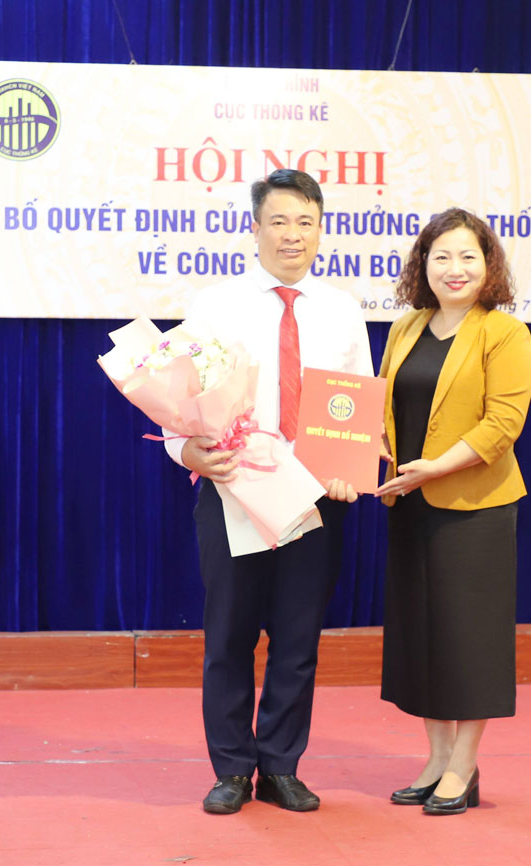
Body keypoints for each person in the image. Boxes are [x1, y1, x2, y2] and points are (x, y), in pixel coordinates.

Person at [166, 169, 373, 814]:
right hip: (234, 494)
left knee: (297, 638)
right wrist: (186, 450)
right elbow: (179, 402)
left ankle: (281, 765)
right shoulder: (216, 303)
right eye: (279, 221)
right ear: (254, 228)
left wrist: (354, 467)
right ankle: (231, 769)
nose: (293, 235)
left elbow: (358, 405)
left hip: (313, 497)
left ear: (321, 230)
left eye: (306, 222)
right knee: (228, 636)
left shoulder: (341, 308)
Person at [374, 207, 531, 815]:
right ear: (423, 266)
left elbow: (503, 424)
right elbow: (383, 403)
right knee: (422, 637)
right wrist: (380, 446)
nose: (455, 268)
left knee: (469, 643)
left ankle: (464, 767)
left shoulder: (505, 332)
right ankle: (437, 759)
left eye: (468, 256)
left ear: (488, 265)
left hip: (475, 508)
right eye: (441, 256)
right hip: (409, 502)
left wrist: (434, 468)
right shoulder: (406, 327)